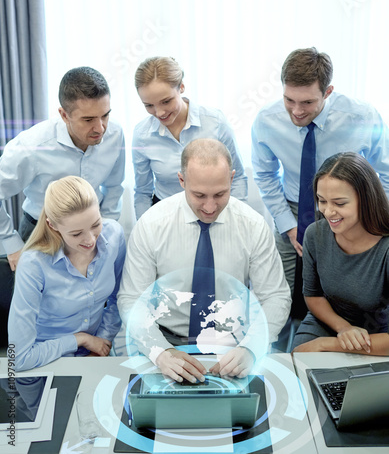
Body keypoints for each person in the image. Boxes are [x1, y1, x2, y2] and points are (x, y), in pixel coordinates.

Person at [118, 139, 291, 383]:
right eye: (199, 195)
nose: (210, 207)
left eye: (220, 194)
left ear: (232, 179)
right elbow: (132, 299)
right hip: (166, 340)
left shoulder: (253, 226)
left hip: (234, 343)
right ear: (181, 181)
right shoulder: (151, 225)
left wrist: (252, 347)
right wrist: (160, 352)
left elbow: (275, 296)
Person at [251, 47, 389, 294]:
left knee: (341, 291)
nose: (296, 111)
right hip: (293, 210)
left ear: (328, 92)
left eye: (307, 102)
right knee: (282, 291)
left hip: (350, 212)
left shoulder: (362, 117)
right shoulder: (266, 120)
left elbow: (386, 172)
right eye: (289, 100)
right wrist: (288, 225)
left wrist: (371, 218)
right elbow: (265, 174)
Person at [0, 66, 125, 271]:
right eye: (88, 119)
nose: (101, 128)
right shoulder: (31, 147)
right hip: (43, 234)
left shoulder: (115, 134)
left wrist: (104, 230)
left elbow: (114, 186)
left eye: (105, 115)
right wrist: (11, 244)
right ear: (64, 115)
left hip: (92, 232)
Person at [8, 176, 126, 371]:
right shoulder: (33, 264)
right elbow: (18, 359)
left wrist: (101, 341)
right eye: (76, 233)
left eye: (96, 224)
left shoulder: (114, 235)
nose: (90, 240)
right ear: (52, 226)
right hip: (45, 359)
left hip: (97, 350)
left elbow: (118, 298)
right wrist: (79, 340)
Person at [292, 153, 389, 356]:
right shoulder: (314, 234)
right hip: (328, 321)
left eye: (339, 203)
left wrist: (327, 344)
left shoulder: (385, 247)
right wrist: (343, 328)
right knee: (299, 363)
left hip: (380, 334)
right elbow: (313, 296)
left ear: (366, 200)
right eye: (322, 201)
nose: (327, 212)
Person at [132, 56, 248, 219]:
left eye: (166, 101)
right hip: (166, 215)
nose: (159, 113)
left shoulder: (215, 122)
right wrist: (144, 228)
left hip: (215, 211)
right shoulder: (142, 135)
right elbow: (142, 192)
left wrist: (235, 220)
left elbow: (237, 178)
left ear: (181, 87)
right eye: (149, 105)